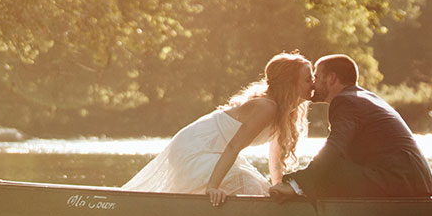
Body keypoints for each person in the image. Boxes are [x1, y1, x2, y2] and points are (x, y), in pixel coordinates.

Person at [122, 53, 314, 205]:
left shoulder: (286, 112)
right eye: (307, 79)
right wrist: (213, 187)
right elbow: (234, 147)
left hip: (218, 152)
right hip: (197, 147)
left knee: (263, 191)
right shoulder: (266, 107)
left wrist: (279, 188)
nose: (313, 84)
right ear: (290, 83)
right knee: (251, 187)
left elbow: (276, 158)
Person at [268, 53, 432, 200]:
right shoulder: (362, 97)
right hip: (413, 183)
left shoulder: (345, 101)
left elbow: (334, 148)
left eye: (317, 77)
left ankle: (294, 196)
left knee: (332, 165)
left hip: (400, 183)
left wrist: (296, 184)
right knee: (335, 164)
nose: (313, 84)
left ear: (331, 78)